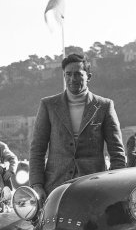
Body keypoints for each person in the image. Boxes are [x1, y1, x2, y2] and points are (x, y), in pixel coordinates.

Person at [29, 53, 126, 200]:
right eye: (68, 74)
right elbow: (37, 149)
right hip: (55, 189)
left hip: (94, 189)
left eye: (78, 74)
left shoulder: (104, 106)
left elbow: (117, 152)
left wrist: (113, 185)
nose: (72, 79)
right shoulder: (48, 105)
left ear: (89, 76)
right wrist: (37, 185)